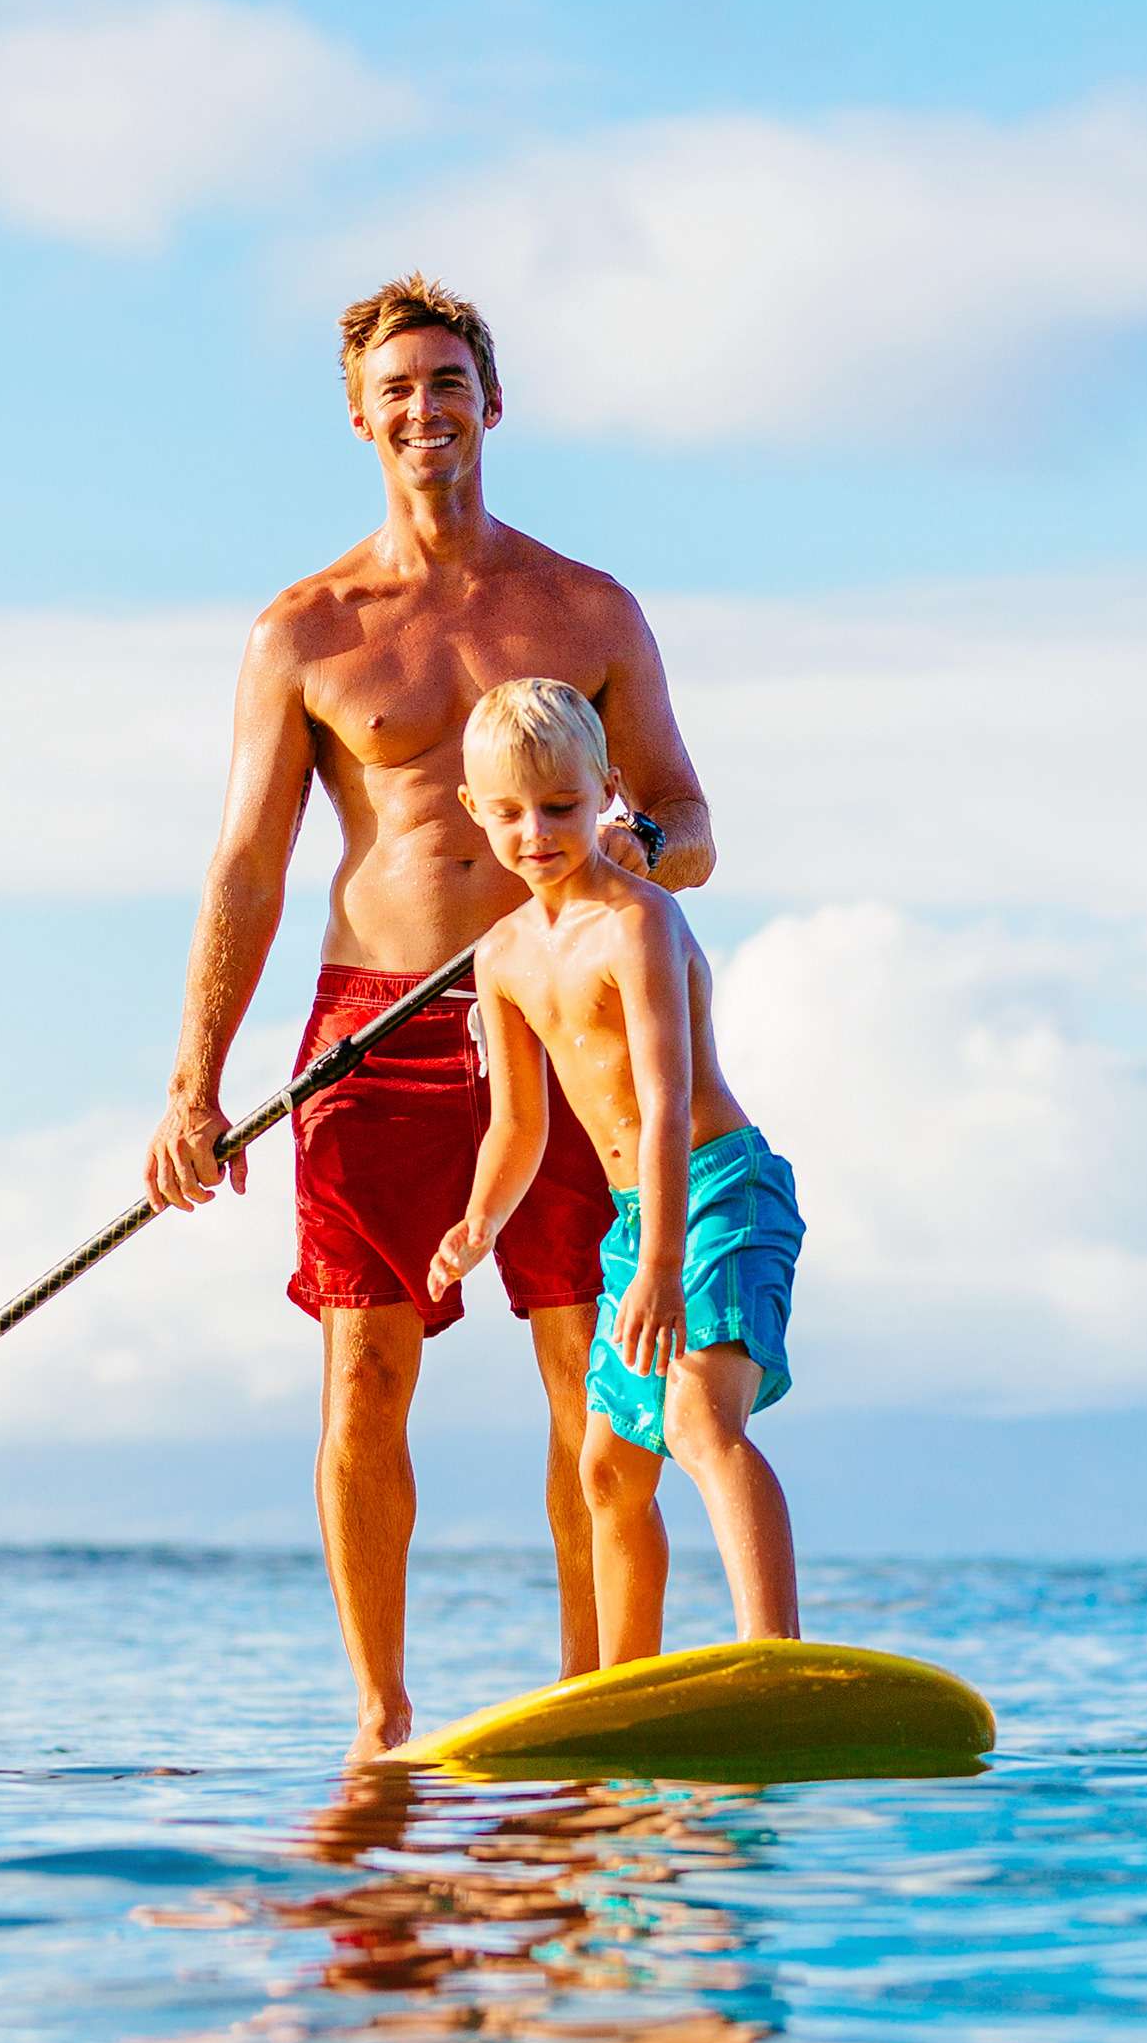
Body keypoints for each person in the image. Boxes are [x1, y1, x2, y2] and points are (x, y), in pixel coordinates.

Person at [146, 280, 717, 1761]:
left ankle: (599, 1695)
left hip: (560, 1007)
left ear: (492, 402)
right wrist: (192, 1084)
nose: (425, 408)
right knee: (366, 1368)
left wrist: (631, 853)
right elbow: (248, 862)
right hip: (369, 1030)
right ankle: (383, 1717)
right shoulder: (306, 631)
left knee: (591, 1360)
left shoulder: (588, 610)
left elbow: (691, 821)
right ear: (359, 415)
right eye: (397, 387)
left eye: (449, 380)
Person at [428, 679, 802, 1667]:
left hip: (715, 1193)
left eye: (560, 805)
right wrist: (476, 1223)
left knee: (695, 1420)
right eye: (509, 811)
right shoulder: (501, 955)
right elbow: (518, 1124)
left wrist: (664, 1263)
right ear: (474, 809)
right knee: (605, 1468)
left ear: (608, 791)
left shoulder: (637, 922)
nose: (536, 831)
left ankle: (773, 1658)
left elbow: (667, 1100)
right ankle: (625, 1687)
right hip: (640, 1221)